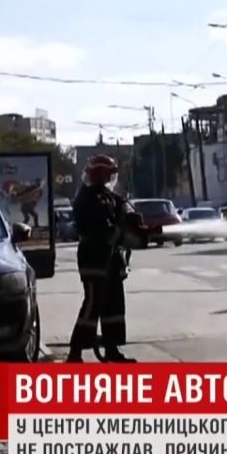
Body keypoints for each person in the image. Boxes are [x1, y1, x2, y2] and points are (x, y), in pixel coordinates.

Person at [68, 155, 145, 363]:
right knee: (93, 304)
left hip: (110, 259)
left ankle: (112, 350)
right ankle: (75, 353)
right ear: (99, 174)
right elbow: (101, 229)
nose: (111, 177)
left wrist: (131, 215)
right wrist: (124, 232)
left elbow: (123, 204)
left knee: (113, 305)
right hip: (94, 259)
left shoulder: (106, 195)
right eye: (108, 174)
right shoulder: (87, 198)